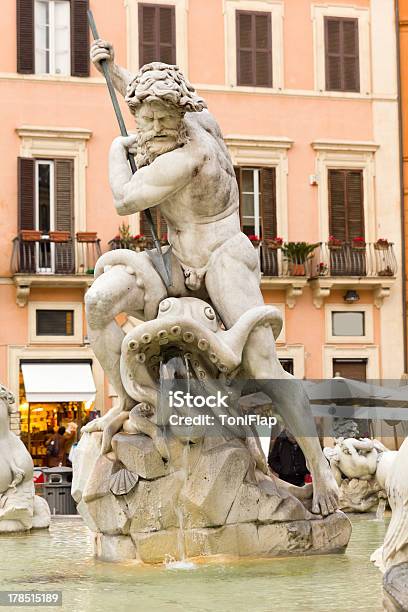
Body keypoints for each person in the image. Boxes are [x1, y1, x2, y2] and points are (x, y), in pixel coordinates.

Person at [83, 40, 339, 516]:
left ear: (182, 117)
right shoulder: (187, 112)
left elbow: (125, 199)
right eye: (146, 121)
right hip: (174, 263)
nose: (153, 131)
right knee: (99, 301)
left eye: (163, 122)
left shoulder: (191, 152)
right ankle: (125, 400)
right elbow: (144, 97)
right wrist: (115, 72)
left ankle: (320, 469)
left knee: (264, 364)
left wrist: (120, 148)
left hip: (222, 256)